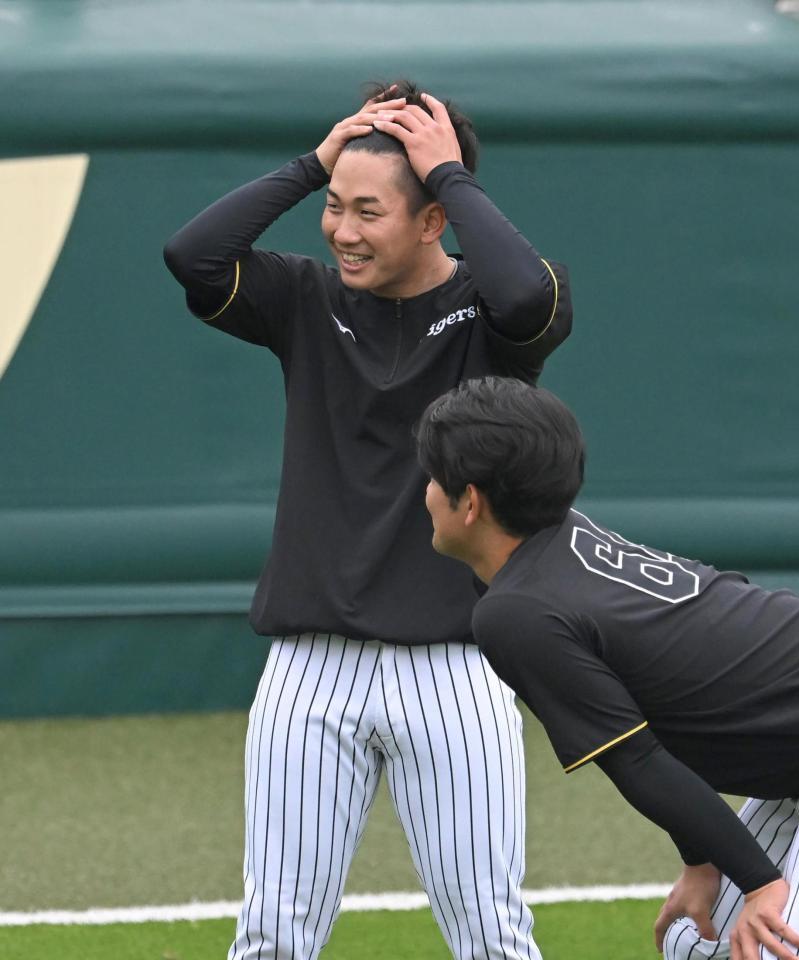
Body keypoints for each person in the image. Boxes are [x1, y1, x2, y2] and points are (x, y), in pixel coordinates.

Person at [163, 82, 572, 960]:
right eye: (333, 207)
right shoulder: (305, 298)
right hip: (310, 672)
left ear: (431, 221)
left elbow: (531, 300)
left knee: (492, 935)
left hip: (456, 670)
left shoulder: (492, 316)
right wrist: (316, 163)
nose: (342, 229)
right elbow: (193, 256)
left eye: (369, 210)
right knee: (271, 935)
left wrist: (451, 178)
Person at [415, 376, 799, 960]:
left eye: (434, 479)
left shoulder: (516, 610)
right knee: (693, 945)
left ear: (469, 503)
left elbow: (637, 759)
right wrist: (703, 861)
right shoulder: (559, 542)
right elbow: (653, 730)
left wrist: (760, 882)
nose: (425, 491)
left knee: (790, 950)